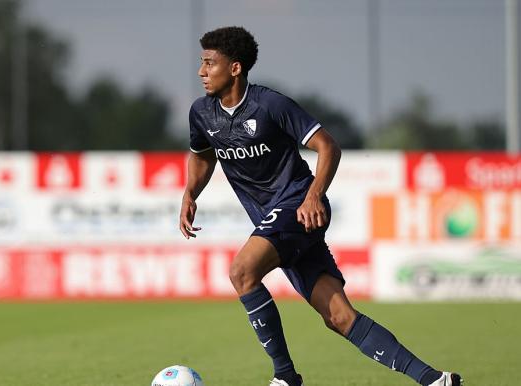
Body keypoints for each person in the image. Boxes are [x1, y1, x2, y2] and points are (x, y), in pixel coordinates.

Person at [178, 26, 463, 386]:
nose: (202, 71)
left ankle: (285, 378)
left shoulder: (270, 105)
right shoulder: (201, 113)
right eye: (202, 62)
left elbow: (329, 147)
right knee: (340, 317)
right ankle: (436, 380)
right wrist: (191, 193)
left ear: (235, 68)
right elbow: (202, 156)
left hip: (299, 205)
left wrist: (314, 194)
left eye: (209, 63)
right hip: (277, 221)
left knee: (241, 272)